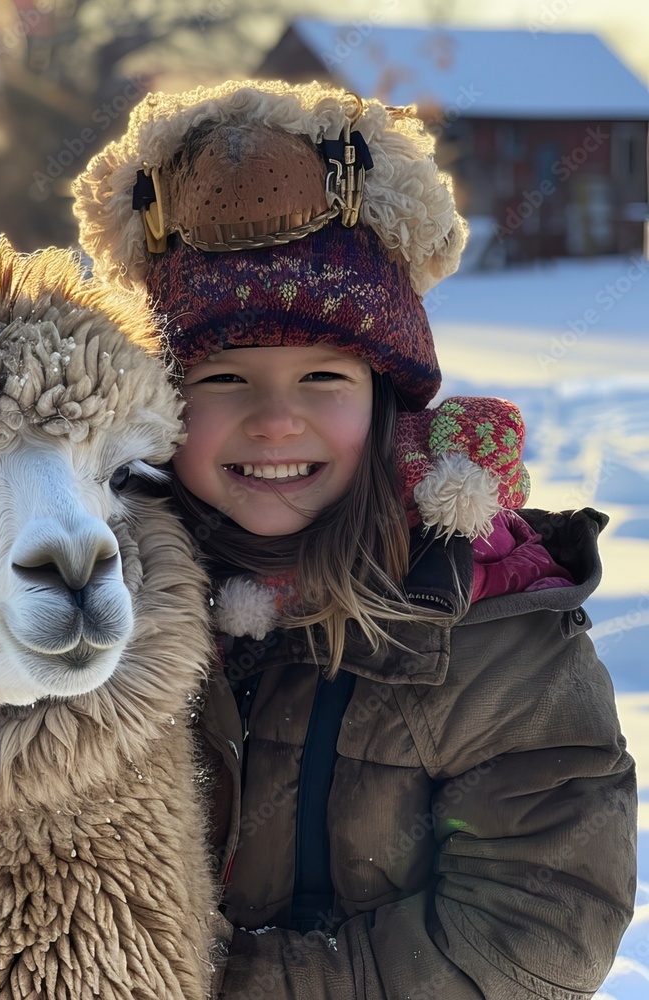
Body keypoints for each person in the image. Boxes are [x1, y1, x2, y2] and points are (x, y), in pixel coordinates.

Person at [73, 80, 636, 998]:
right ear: (165, 407)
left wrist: (210, 986)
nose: (275, 420)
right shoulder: (103, 599)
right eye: (224, 379)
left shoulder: (487, 623)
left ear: (385, 401)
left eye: (324, 376)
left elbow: (540, 923)